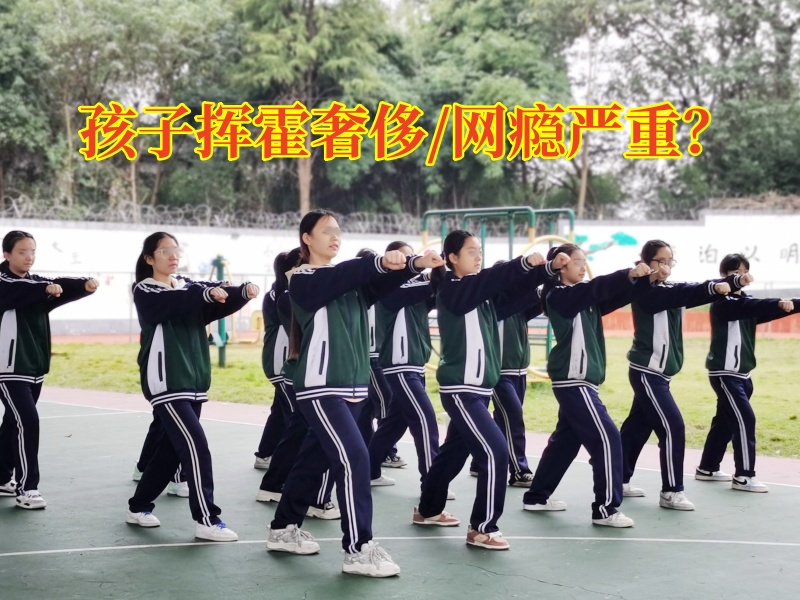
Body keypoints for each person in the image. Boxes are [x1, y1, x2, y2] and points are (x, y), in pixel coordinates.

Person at [265, 209, 443, 578]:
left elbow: (378, 283)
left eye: (338, 231)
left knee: (313, 458)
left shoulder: (349, 284)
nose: (335, 236)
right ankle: (359, 549)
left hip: (350, 388)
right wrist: (382, 261)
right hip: (321, 387)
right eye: (326, 231)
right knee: (355, 459)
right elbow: (348, 273)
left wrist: (413, 265)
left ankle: (283, 529)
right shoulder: (303, 279)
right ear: (306, 239)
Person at [416, 230, 562, 550]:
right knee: (496, 452)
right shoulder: (453, 289)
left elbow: (514, 293)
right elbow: (493, 280)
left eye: (479, 251)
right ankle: (482, 528)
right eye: (471, 251)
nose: (478, 256)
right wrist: (523, 263)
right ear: (452, 258)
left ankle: (427, 509)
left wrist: (546, 271)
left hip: (478, 391)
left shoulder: (481, 296)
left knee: (452, 454)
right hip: (461, 391)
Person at [126, 232, 257, 541]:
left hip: (192, 382)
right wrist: (206, 293)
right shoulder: (145, 289)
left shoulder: (187, 287)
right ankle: (207, 519)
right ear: (149, 258)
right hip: (167, 382)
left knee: (170, 452)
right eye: (164, 251)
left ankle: (138, 506)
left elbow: (211, 302)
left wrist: (242, 293)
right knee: (196, 447)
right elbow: (178, 302)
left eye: (176, 250)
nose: (173, 255)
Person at [522, 244, 652, 527]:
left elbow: (614, 294)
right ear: (560, 265)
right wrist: (628, 273)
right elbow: (597, 288)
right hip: (574, 381)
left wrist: (643, 278)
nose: (583, 266)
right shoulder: (559, 295)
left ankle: (536, 497)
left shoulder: (584, 297)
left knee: (565, 443)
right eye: (577, 261)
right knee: (607, 438)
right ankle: (605, 509)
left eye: (584, 261)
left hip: (581, 382)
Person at [620, 240, 743, 510]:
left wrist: (728, 283)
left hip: (660, 375)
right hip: (647, 373)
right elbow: (684, 294)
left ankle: (617, 478)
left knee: (637, 428)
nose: (667, 266)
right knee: (673, 427)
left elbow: (690, 292)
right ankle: (671, 491)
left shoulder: (669, 288)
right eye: (661, 261)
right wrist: (714, 287)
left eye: (670, 261)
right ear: (646, 262)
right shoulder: (644, 290)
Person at [0, 230, 98, 508]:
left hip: (34, 367)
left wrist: (84, 286)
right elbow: (18, 291)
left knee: (14, 422)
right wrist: (45, 289)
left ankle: (1, 477)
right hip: (8, 368)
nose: (29, 257)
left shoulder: (36, 283)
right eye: (22, 252)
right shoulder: (6, 283)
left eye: (32, 251)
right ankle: (27, 488)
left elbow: (59, 286)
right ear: (6, 254)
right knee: (27, 421)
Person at [696, 253, 798, 493]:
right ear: (723, 275)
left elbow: (765, 309)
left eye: (743, 272)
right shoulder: (722, 302)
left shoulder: (746, 302)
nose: (740, 277)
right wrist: (778, 303)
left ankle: (707, 468)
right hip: (725, 374)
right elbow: (752, 307)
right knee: (745, 419)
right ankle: (744, 476)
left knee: (724, 422)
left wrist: (789, 304)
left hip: (743, 375)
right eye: (734, 273)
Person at [368, 241, 440, 491]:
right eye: (406, 259)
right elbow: (430, 284)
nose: (412, 264)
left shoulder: (416, 291)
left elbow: (438, 293)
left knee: (393, 425)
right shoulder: (389, 289)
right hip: (400, 367)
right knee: (425, 420)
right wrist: (440, 270)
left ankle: (368, 471)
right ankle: (432, 485)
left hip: (415, 367)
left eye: (414, 258)